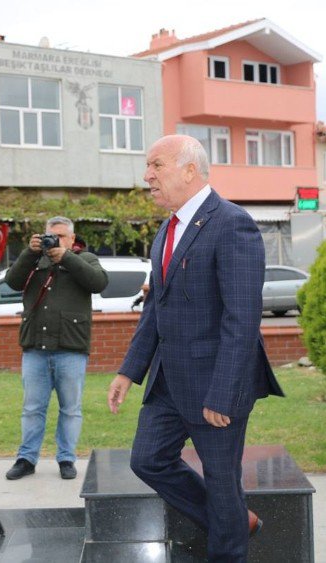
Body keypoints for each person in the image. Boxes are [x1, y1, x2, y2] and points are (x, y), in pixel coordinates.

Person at [107, 135, 284, 562]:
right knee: (147, 460)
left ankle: (230, 541)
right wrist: (129, 371)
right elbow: (156, 309)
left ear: (190, 169)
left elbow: (241, 319)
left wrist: (223, 393)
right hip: (168, 380)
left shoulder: (232, 223)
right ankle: (235, 520)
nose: (147, 175)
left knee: (223, 484)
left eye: (156, 166)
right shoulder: (167, 229)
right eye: (147, 167)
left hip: (215, 385)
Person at [4, 217, 108, 481]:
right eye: (52, 236)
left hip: (71, 347)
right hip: (35, 347)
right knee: (32, 408)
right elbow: (12, 282)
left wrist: (66, 258)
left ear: (73, 239)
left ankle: (66, 459)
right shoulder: (35, 261)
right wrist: (30, 251)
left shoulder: (86, 259)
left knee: (71, 408)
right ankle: (26, 459)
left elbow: (98, 282)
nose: (56, 241)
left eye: (62, 237)